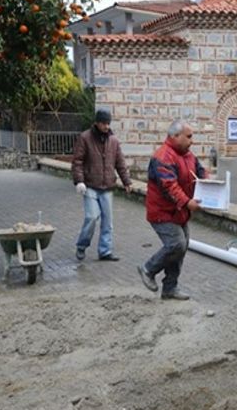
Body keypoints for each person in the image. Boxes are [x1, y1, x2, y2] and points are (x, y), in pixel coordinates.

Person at [138, 120, 205, 300]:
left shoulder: (189, 156)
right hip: (162, 212)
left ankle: (169, 288)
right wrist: (187, 202)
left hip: (179, 212)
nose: (192, 141)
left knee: (181, 248)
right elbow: (169, 187)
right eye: (189, 136)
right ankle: (148, 269)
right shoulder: (162, 157)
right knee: (177, 244)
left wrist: (211, 184)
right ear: (175, 136)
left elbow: (200, 172)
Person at [71, 109, 132, 261]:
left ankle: (105, 251)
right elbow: (77, 161)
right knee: (91, 217)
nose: (106, 126)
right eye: (104, 123)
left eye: (108, 123)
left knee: (107, 222)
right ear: (97, 123)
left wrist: (127, 181)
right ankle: (81, 245)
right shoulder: (85, 138)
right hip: (90, 185)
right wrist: (79, 181)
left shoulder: (114, 141)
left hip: (107, 187)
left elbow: (120, 163)